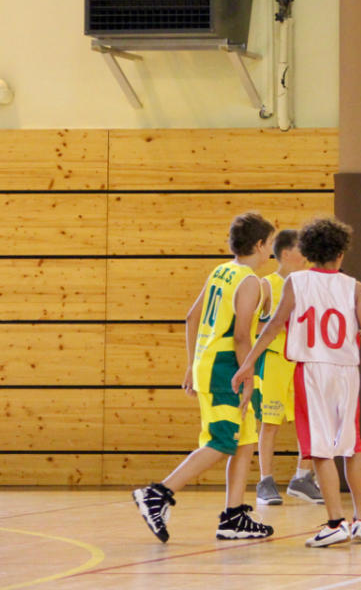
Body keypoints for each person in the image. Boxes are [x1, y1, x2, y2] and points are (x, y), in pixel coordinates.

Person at [233, 216, 361, 547]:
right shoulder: (354, 286)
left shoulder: (296, 282)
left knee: (319, 449)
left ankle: (335, 522)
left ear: (307, 252)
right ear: (341, 252)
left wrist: (248, 364)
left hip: (312, 371)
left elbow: (273, 326)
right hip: (347, 372)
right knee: (352, 447)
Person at [131, 212, 276, 543]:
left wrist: (191, 363)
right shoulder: (249, 281)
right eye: (269, 243)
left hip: (210, 362)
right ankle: (158, 493)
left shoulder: (221, 271)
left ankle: (234, 517)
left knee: (244, 441)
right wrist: (248, 377)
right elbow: (242, 336)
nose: (271, 250)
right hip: (227, 366)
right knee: (222, 441)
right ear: (259, 244)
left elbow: (191, 317)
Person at [252, 229, 323, 506]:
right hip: (274, 362)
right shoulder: (267, 285)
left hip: (302, 361)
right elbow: (252, 325)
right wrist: (278, 325)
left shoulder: (308, 284)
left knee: (310, 421)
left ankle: (302, 478)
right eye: (300, 249)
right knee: (270, 423)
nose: (305, 255)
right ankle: (265, 481)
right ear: (285, 253)